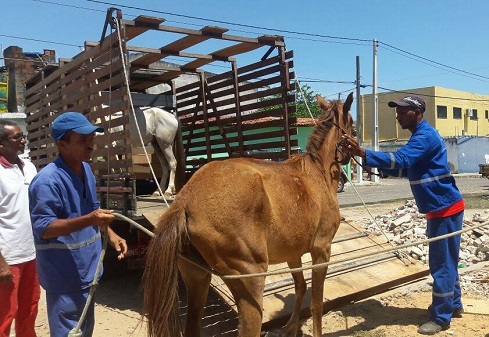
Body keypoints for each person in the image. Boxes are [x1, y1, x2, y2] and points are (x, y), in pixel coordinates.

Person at [344, 95, 464, 335]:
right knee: (447, 260)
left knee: (441, 264)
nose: (397, 116)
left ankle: (441, 317)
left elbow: (403, 158)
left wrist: (363, 152)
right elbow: (405, 167)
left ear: (416, 112)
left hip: (444, 209)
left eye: (401, 111)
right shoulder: (421, 137)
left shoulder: (424, 136)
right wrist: (373, 164)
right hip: (440, 208)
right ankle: (454, 304)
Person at [29, 112, 128, 337]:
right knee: (70, 333)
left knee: (84, 331)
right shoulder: (47, 181)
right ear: (62, 145)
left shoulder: (85, 171)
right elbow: (43, 228)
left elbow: (92, 210)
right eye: (83, 140)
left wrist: (110, 234)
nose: (91, 145)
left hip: (87, 271)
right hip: (64, 275)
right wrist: (90, 220)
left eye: (91, 138)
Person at [0, 120, 40, 337]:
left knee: (30, 308)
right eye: (17, 137)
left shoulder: (29, 167)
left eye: (23, 136)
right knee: (5, 314)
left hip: (31, 253)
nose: (23, 140)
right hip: (8, 257)